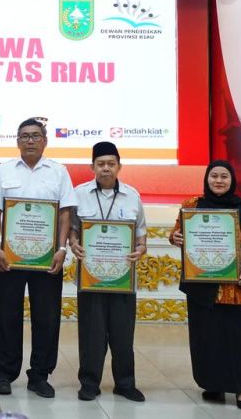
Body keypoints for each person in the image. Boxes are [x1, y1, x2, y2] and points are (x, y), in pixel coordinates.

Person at [0, 117, 72, 398]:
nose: (30, 140)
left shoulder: (59, 172)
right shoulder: (3, 170)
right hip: (10, 257)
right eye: (24, 136)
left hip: (47, 258)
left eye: (35, 136)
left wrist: (61, 249)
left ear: (45, 140)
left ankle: (40, 375)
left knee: (47, 317)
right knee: (8, 315)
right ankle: (5, 373)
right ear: (17, 141)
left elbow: (65, 213)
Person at [170, 160, 241, 411]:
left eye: (224, 176)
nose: (219, 181)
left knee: (238, 337)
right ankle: (213, 384)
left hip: (235, 285)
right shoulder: (192, 205)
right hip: (202, 283)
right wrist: (175, 237)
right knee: (206, 337)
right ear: (207, 179)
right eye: (214, 176)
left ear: (232, 180)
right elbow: (177, 233)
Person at [68, 141, 147, 402]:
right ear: (92, 167)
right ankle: (89, 383)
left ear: (119, 166)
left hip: (123, 277)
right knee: (91, 333)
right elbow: (72, 230)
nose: (105, 168)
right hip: (90, 276)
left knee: (123, 334)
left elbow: (141, 234)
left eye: (111, 164)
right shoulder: (79, 194)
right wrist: (74, 243)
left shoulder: (132, 196)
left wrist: (140, 249)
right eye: (100, 164)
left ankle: (125, 384)